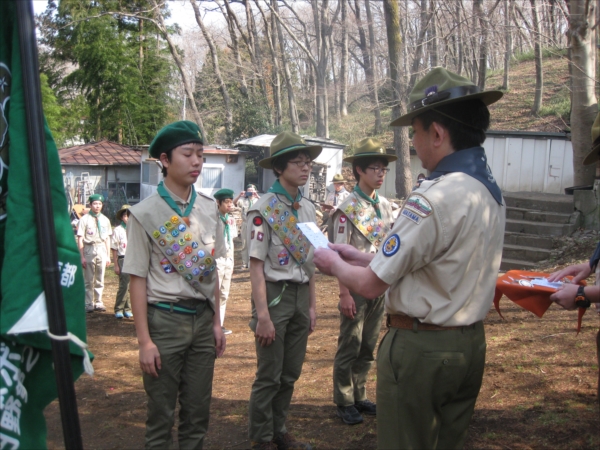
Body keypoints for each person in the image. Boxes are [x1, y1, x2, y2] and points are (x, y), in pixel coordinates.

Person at [313, 67, 506, 449]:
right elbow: (436, 265)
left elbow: (371, 286)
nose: (413, 145)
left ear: (437, 132)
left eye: (415, 133)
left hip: (424, 351)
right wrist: (362, 256)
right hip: (468, 344)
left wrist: (333, 263)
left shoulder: (432, 197)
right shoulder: (489, 191)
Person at [123, 121, 226, 449]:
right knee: (160, 416)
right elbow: (136, 279)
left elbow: (212, 272)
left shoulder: (209, 209)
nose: (197, 162)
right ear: (165, 160)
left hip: (202, 322)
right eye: (188, 154)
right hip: (164, 322)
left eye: (201, 154)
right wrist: (144, 342)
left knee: (198, 413)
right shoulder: (145, 213)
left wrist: (217, 322)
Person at [247, 131, 320, 450]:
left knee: (290, 372)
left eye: (308, 162)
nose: (305, 168)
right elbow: (256, 266)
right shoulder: (263, 209)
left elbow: (311, 260)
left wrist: (313, 305)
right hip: (274, 297)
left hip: (301, 297)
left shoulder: (308, 209)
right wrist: (262, 315)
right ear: (278, 167)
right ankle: (261, 437)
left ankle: (280, 429)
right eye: (298, 162)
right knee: (269, 375)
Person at [331, 138, 396, 425]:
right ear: (358, 170)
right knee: (350, 343)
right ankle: (344, 400)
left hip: (379, 284)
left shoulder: (384, 205)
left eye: (383, 169)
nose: (380, 173)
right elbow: (338, 256)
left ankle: (360, 394)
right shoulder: (347, 208)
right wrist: (344, 293)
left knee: (368, 344)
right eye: (374, 168)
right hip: (356, 286)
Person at [77, 193, 112, 312]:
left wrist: (108, 255)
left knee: (100, 277)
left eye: (99, 204)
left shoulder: (105, 220)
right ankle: (88, 302)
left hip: (101, 248)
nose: (97, 206)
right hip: (89, 248)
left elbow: (107, 238)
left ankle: (98, 301)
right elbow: (80, 238)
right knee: (88, 278)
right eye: (95, 204)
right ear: (90, 205)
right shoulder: (84, 219)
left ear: (102, 205)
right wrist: (82, 257)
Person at [214, 188, 238, 335]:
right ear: (218, 202)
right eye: (226, 202)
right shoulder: (213, 219)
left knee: (224, 293)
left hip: (228, 259)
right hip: (216, 260)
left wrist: (232, 262)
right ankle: (212, 323)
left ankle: (220, 324)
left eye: (231, 201)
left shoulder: (230, 220)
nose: (230, 205)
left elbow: (232, 242)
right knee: (214, 293)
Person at [111, 204, 132, 319]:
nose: (127, 218)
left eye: (129, 215)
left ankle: (127, 308)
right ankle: (119, 308)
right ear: (122, 217)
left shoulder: (135, 228)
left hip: (133, 258)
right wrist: (116, 265)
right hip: (123, 258)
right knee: (124, 285)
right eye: (125, 215)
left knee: (131, 285)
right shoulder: (118, 230)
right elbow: (114, 248)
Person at [236, 184, 260, 269]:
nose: (250, 192)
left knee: (254, 244)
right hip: (245, 223)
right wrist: (240, 195)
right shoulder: (243, 200)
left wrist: (257, 196)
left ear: (255, 191)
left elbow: (265, 205)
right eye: (248, 191)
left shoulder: (258, 200)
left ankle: (252, 263)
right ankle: (244, 263)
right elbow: (234, 203)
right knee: (244, 244)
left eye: (252, 191)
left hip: (255, 225)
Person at [322, 173, 350, 242]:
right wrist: (324, 208)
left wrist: (337, 208)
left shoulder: (347, 196)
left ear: (342, 184)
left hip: (341, 220)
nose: (336, 186)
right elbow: (326, 204)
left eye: (338, 184)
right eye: (335, 184)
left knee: (340, 238)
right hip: (331, 218)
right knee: (330, 237)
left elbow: (349, 209)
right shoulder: (330, 194)